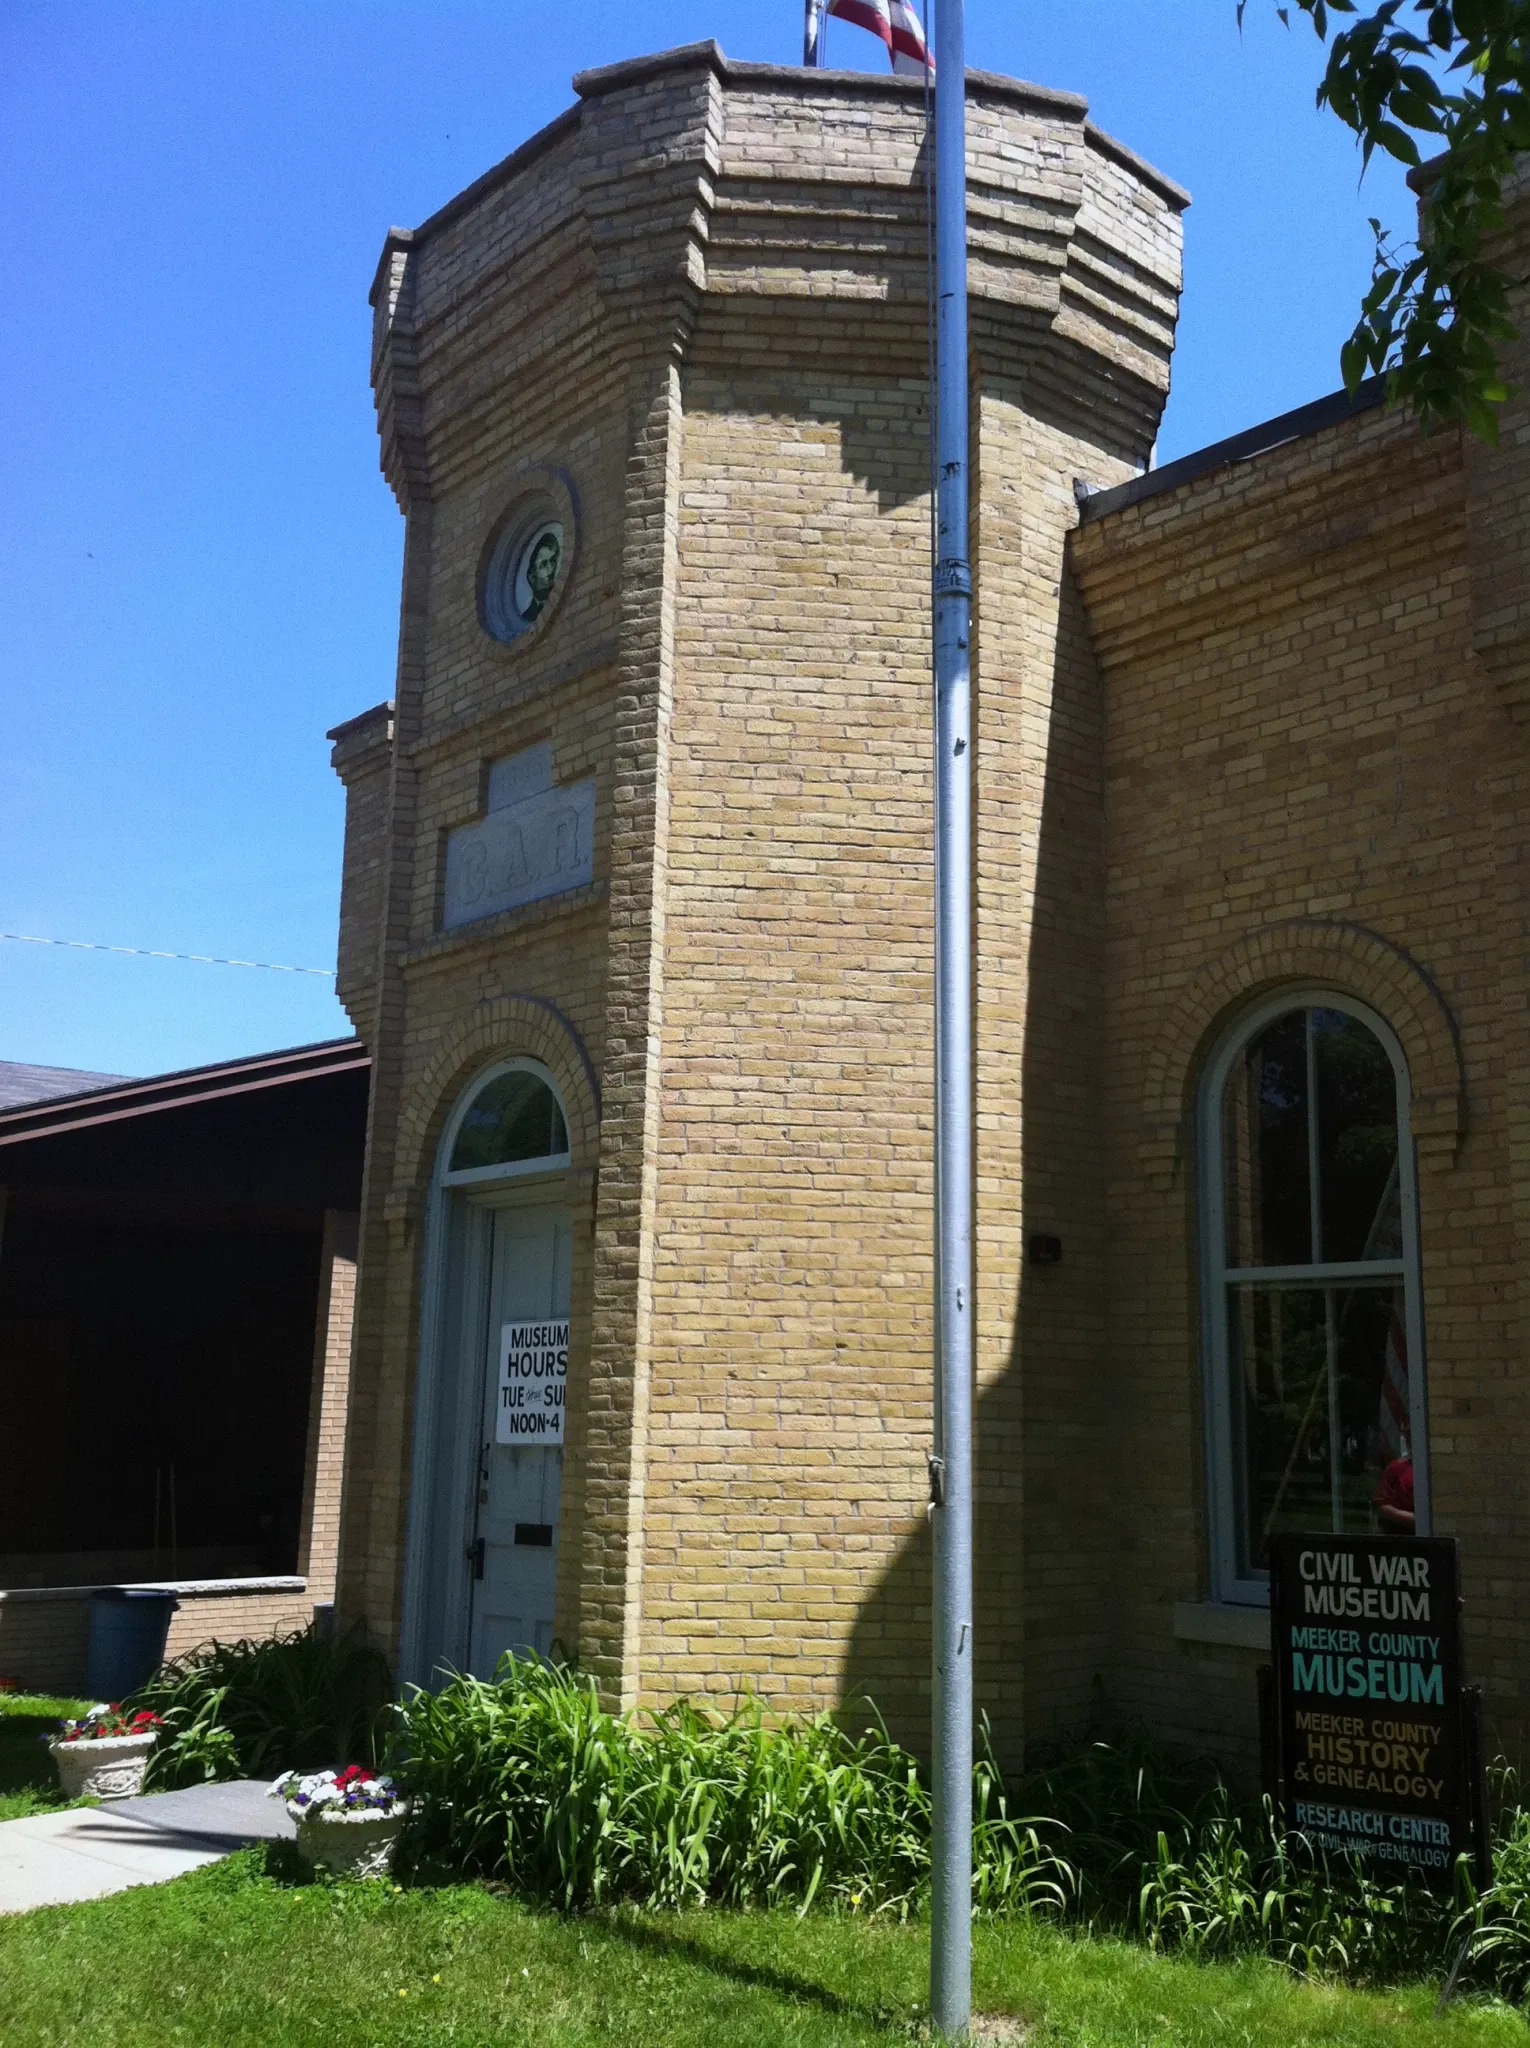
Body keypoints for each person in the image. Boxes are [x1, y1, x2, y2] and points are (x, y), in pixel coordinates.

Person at [521, 530, 560, 621]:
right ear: (531, 577)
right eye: (544, 564)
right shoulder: (527, 617)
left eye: (553, 561)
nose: (550, 568)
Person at [1374, 1453, 1415, 1532]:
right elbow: (1382, 1508)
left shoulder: (1437, 1469)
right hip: (1402, 1534)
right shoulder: (1395, 1468)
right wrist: (1415, 1519)